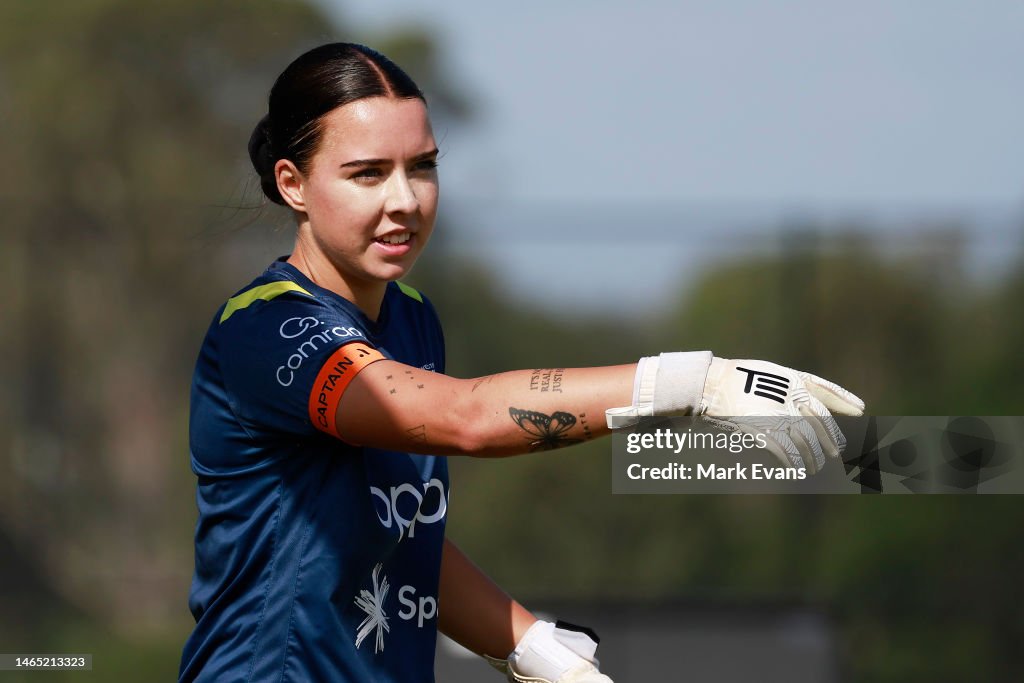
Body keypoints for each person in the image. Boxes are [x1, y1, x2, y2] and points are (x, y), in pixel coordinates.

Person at [178, 42, 864, 683]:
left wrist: (531, 647)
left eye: (422, 166)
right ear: (293, 184)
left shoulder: (411, 318)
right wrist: (692, 382)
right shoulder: (266, 328)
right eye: (366, 174)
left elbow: (399, 544)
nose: (405, 200)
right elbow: (467, 417)